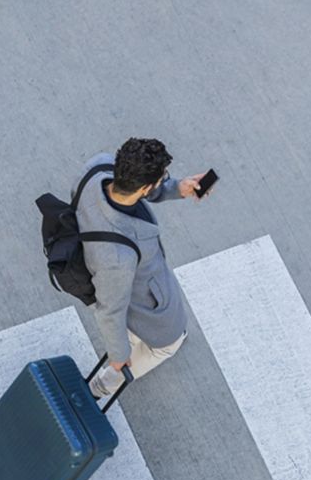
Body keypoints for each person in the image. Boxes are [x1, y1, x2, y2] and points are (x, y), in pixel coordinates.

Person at [71, 138, 211, 399]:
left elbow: (137, 190)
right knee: (167, 342)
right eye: (162, 178)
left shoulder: (97, 167)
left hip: (104, 261)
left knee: (129, 332)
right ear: (146, 187)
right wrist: (119, 356)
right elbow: (110, 310)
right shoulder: (117, 258)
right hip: (134, 292)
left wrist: (177, 188)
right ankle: (99, 388)